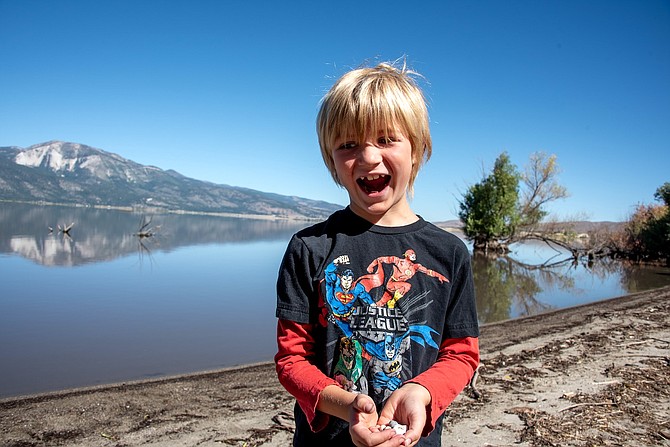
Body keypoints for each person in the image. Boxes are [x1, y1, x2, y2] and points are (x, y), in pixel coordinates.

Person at [275, 60, 480, 447]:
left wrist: (422, 392)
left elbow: (461, 354)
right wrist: (347, 404)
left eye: (387, 139)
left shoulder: (450, 253)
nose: (369, 157)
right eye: (349, 144)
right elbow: (291, 360)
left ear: (417, 150)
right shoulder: (309, 248)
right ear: (332, 161)